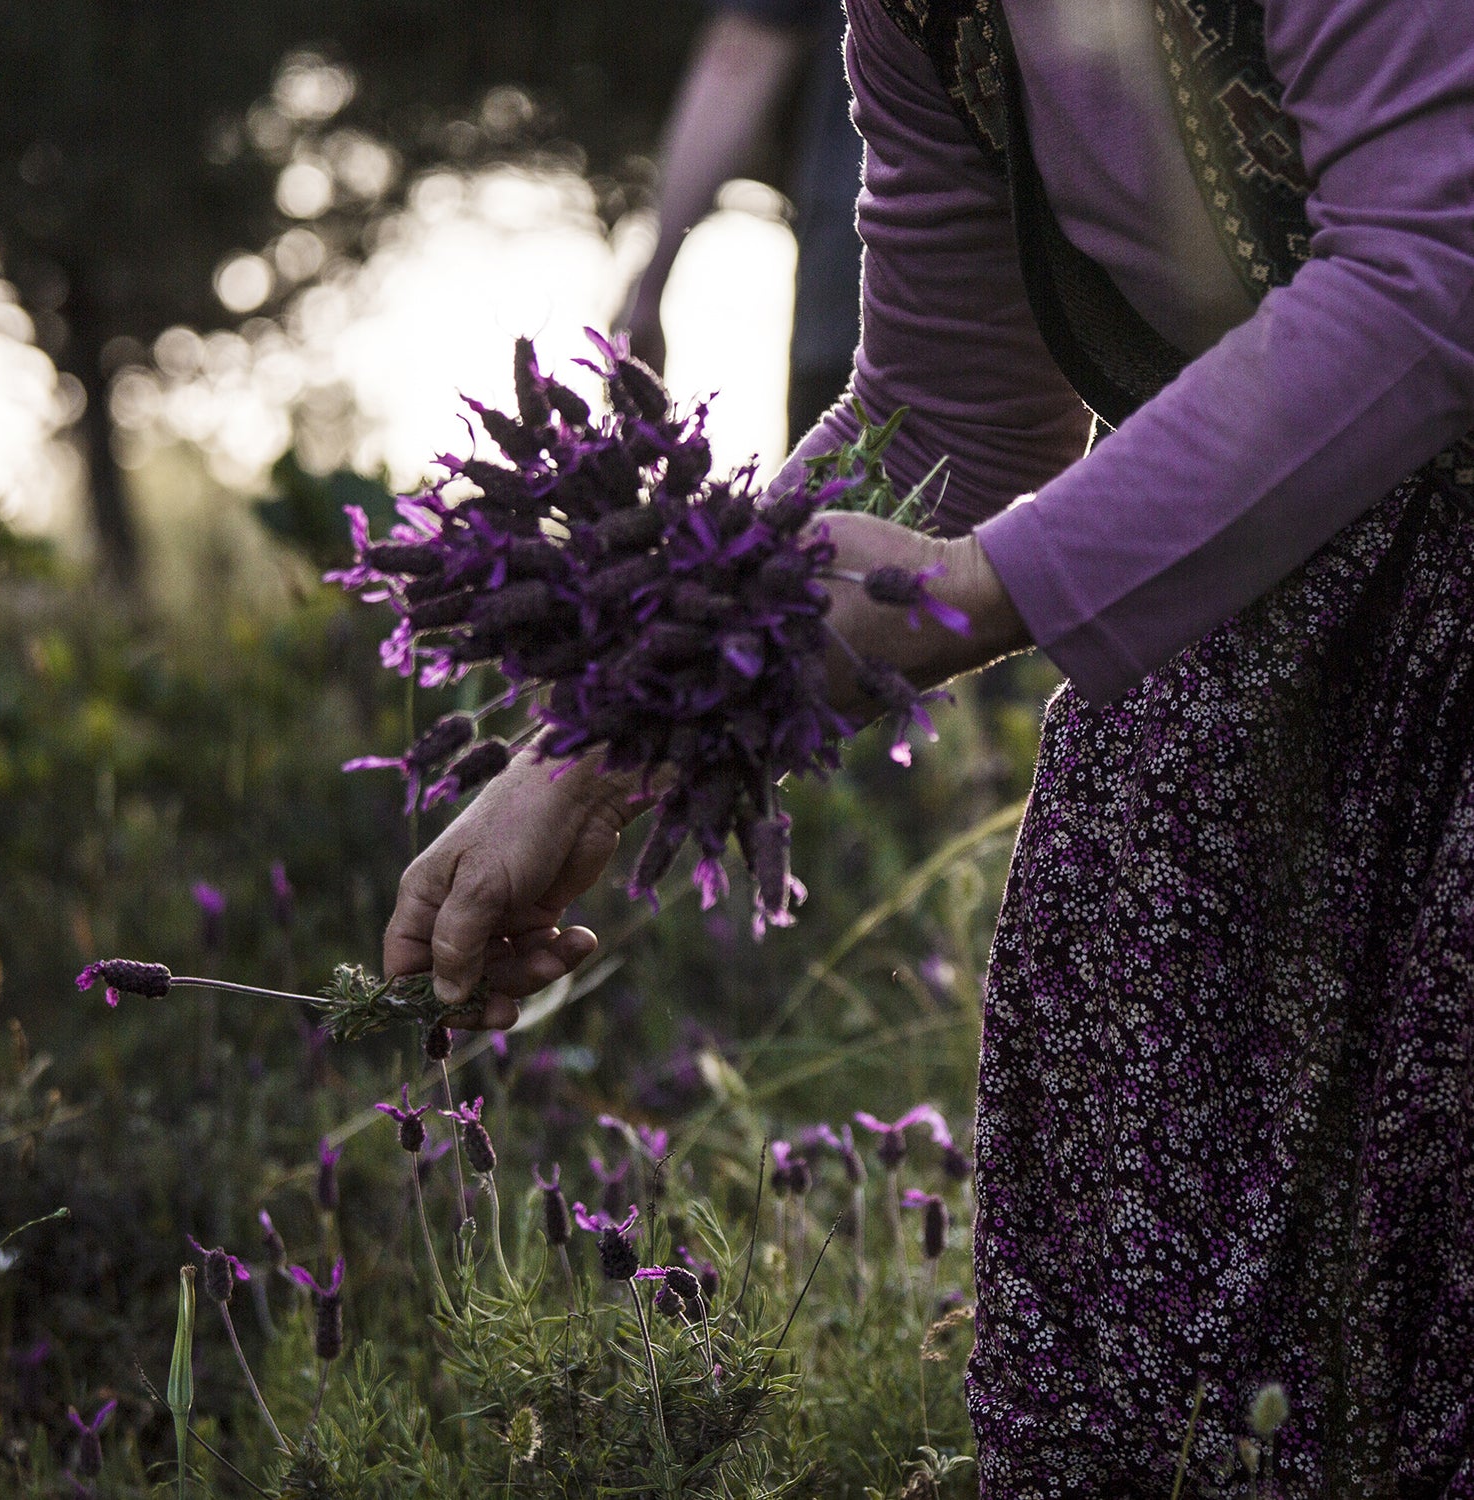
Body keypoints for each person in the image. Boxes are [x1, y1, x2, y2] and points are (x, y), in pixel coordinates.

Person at [386, 0, 1474, 1491]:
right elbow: (946, 411)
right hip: (1274, 617)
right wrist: (606, 738)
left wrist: (971, 593)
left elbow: (1432, 276)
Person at [619, 0, 862, 443]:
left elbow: (742, 57)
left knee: (833, 503)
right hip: (1009, 321)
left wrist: (648, 293)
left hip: (856, 304)